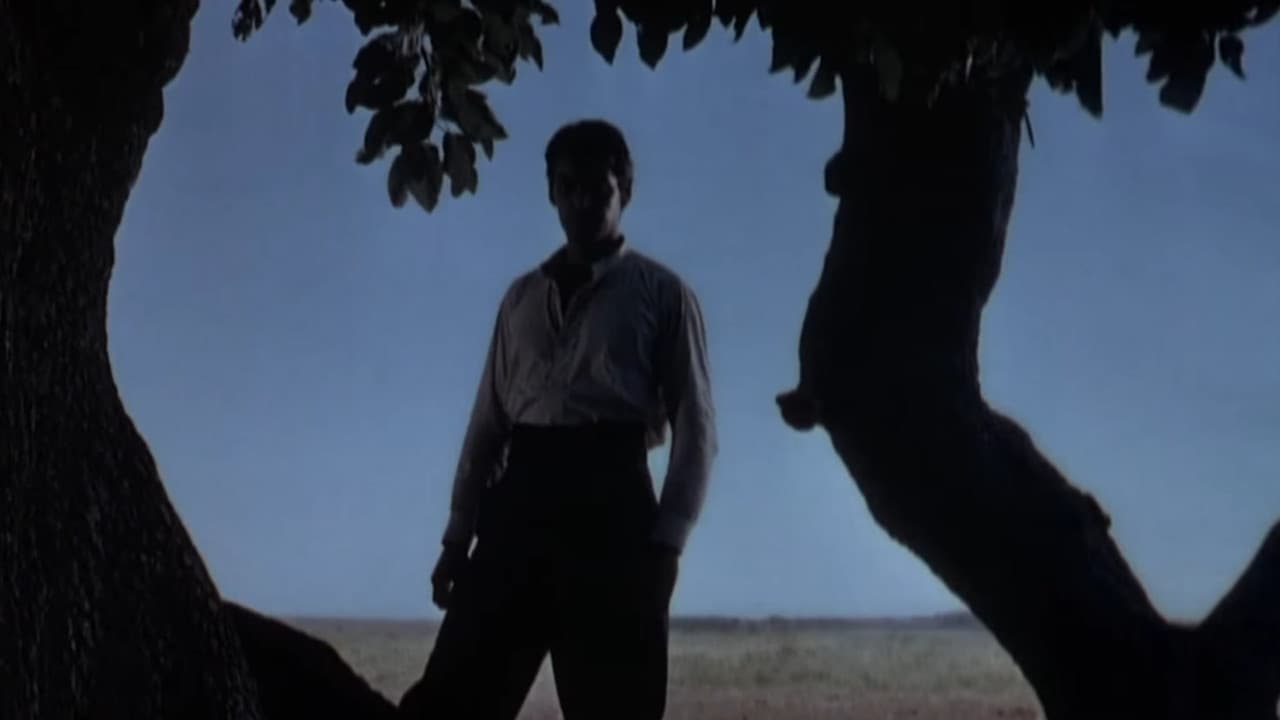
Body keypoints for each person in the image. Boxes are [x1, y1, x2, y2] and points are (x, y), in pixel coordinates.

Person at [398, 119, 717, 720]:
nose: (581, 201)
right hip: (518, 504)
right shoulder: (520, 299)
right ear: (551, 192)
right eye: (568, 186)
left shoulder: (662, 294)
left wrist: (667, 546)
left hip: (612, 509)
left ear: (625, 190)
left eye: (599, 188)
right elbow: (487, 425)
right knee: (450, 700)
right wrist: (457, 536)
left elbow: (696, 430)